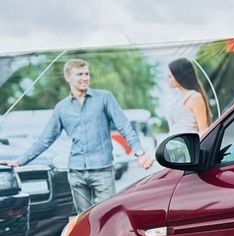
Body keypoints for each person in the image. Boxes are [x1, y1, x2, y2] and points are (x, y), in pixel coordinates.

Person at [0, 58, 153, 213]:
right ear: (68, 77)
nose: (85, 78)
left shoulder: (104, 98)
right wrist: (20, 161)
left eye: (87, 74)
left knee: (107, 215)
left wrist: (139, 153)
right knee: (83, 218)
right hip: (76, 172)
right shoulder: (62, 108)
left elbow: (124, 126)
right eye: (80, 74)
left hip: (102, 170)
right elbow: (45, 139)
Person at [166, 58, 210, 135]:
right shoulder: (178, 98)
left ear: (179, 76)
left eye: (170, 76)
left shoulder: (195, 97)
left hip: (187, 141)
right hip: (175, 141)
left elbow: (204, 131)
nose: (167, 79)